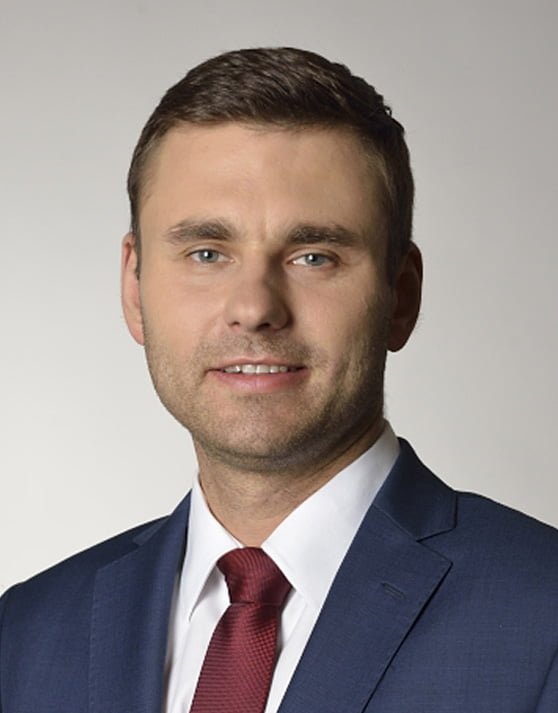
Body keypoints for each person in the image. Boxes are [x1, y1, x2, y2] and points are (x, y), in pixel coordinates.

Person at [0, 47, 557, 713]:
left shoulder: (541, 617)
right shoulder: (24, 635)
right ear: (133, 286)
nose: (255, 308)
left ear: (400, 296)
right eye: (207, 253)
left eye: (313, 256)